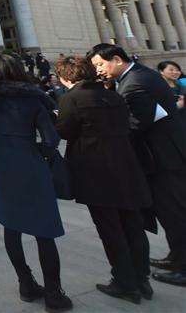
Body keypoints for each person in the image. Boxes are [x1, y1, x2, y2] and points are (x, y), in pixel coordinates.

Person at [0, 54, 73, 311]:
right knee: (44, 232)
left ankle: (25, 283)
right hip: (32, 163)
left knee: (11, 227)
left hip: (4, 167)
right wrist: (42, 154)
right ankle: (54, 291)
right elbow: (51, 139)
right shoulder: (34, 97)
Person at [54, 56, 152, 303]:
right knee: (133, 225)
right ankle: (142, 280)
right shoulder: (114, 95)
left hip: (96, 170)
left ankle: (124, 283)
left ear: (66, 77)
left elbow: (64, 131)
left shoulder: (71, 98)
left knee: (110, 228)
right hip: (127, 167)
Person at [89, 43, 186, 287]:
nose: (99, 70)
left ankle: (184, 267)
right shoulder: (138, 75)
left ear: (117, 59)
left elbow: (132, 125)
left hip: (162, 159)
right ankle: (177, 257)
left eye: (101, 64)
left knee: (175, 213)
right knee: (170, 213)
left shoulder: (135, 84)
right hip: (164, 156)